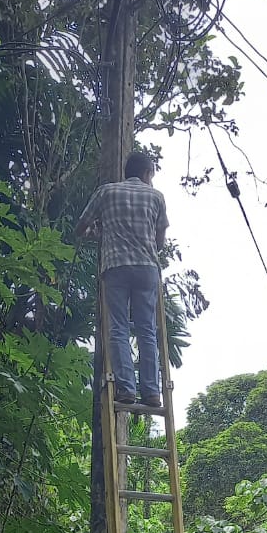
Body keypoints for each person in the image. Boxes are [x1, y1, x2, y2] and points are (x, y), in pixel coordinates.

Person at [76, 151, 168, 408]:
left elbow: (81, 226)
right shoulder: (156, 197)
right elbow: (160, 242)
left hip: (115, 267)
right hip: (147, 268)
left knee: (118, 328)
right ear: (148, 173)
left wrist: (99, 233)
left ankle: (126, 388)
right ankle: (151, 392)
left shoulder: (106, 192)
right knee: (147, 330)